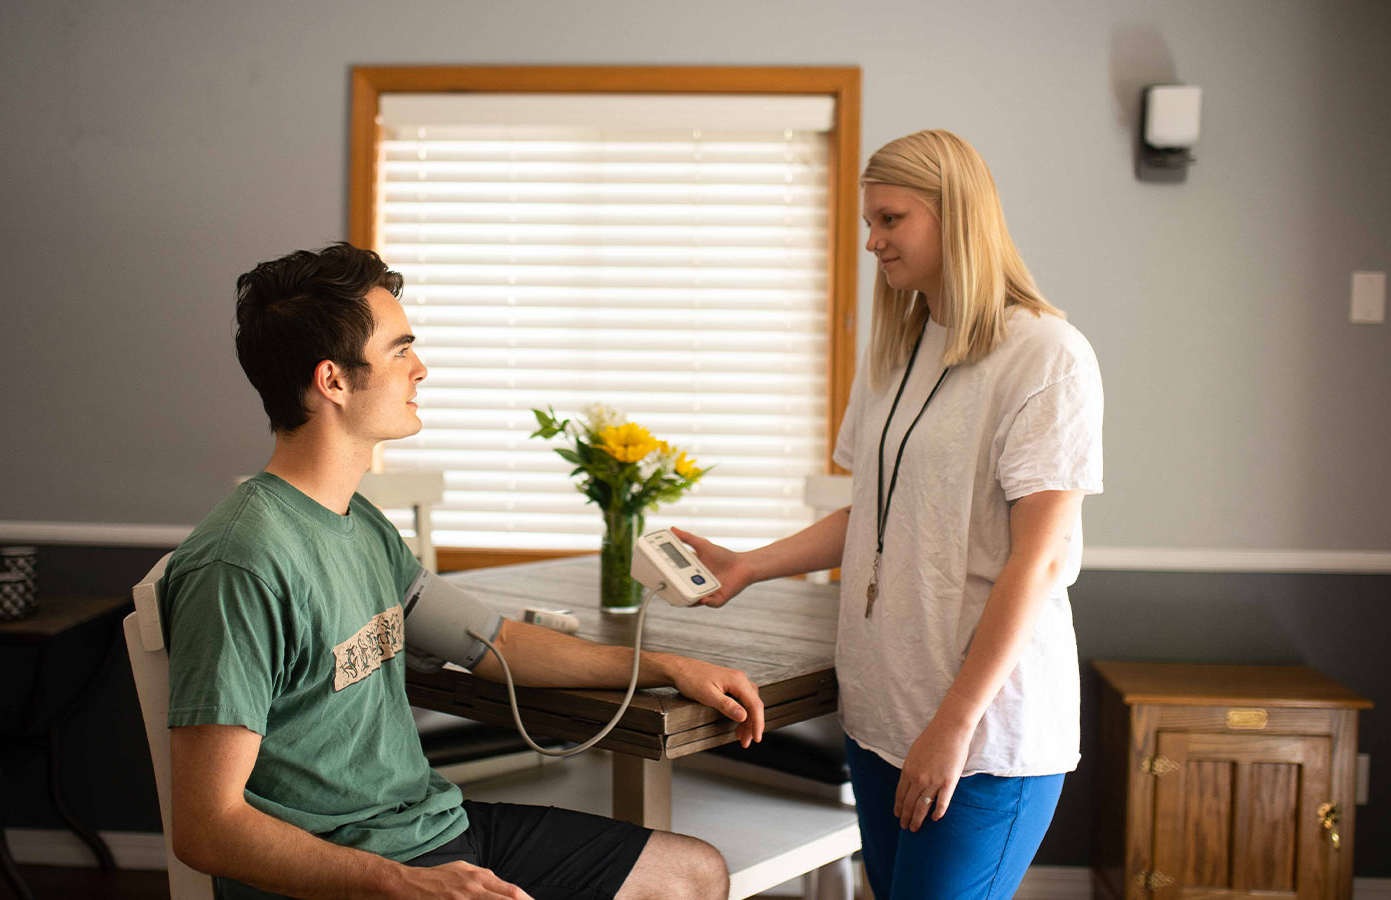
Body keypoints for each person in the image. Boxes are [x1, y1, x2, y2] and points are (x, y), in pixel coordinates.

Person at [161, 242, 765, 900]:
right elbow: (207, 828)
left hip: (430, 831)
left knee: (693, 874)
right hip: (343, 874)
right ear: (333, 380)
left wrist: (669, 667)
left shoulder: (359, 524)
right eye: (400, 350)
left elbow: (496, 642)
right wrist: (401, 884)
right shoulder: (240, 563)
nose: (421, 368)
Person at [675, 130, 1103, 900]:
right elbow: (879, 511)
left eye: (890, 220)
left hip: (980, 731)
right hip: (880, 709)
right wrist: (752, 563)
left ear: (955, 215)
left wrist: (953, 725)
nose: (872, 242)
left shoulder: (1048, 355)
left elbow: (1035, 563)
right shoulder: (898, 350)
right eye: (870, 223)